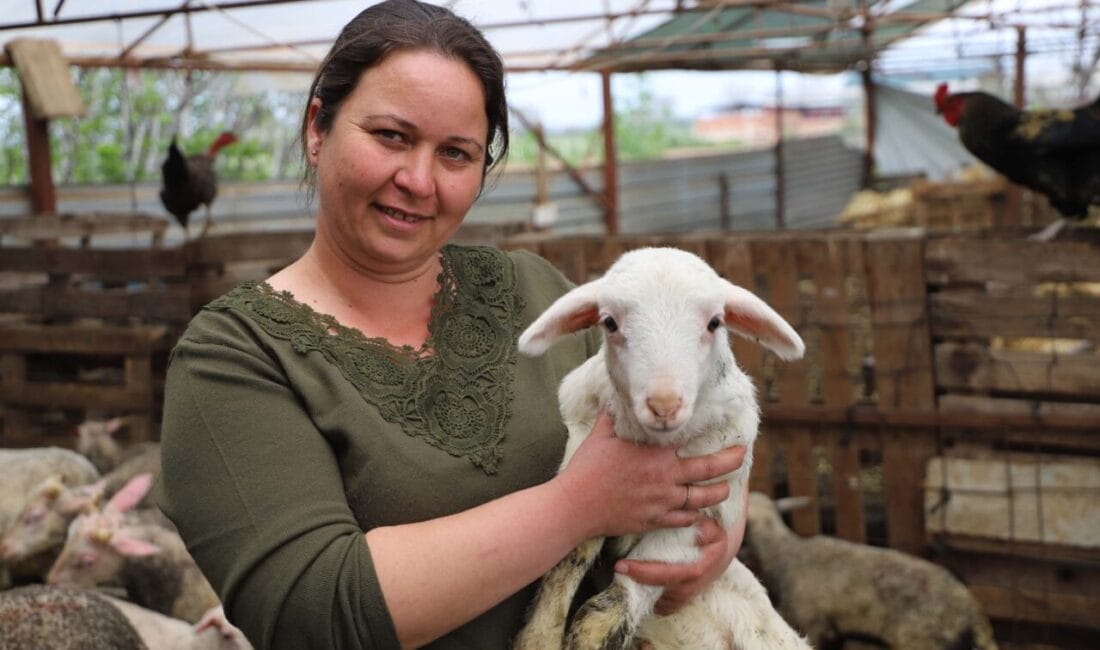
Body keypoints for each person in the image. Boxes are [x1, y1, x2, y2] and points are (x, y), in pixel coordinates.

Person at [156, 1, 747, 648]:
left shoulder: (538, 292)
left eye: (456, 154)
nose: (418, 180)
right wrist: (578, 504)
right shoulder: (234, 357)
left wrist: (709, 549)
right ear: (317, 128)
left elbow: (703, 432)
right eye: (390, 136)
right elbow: (315, 613)